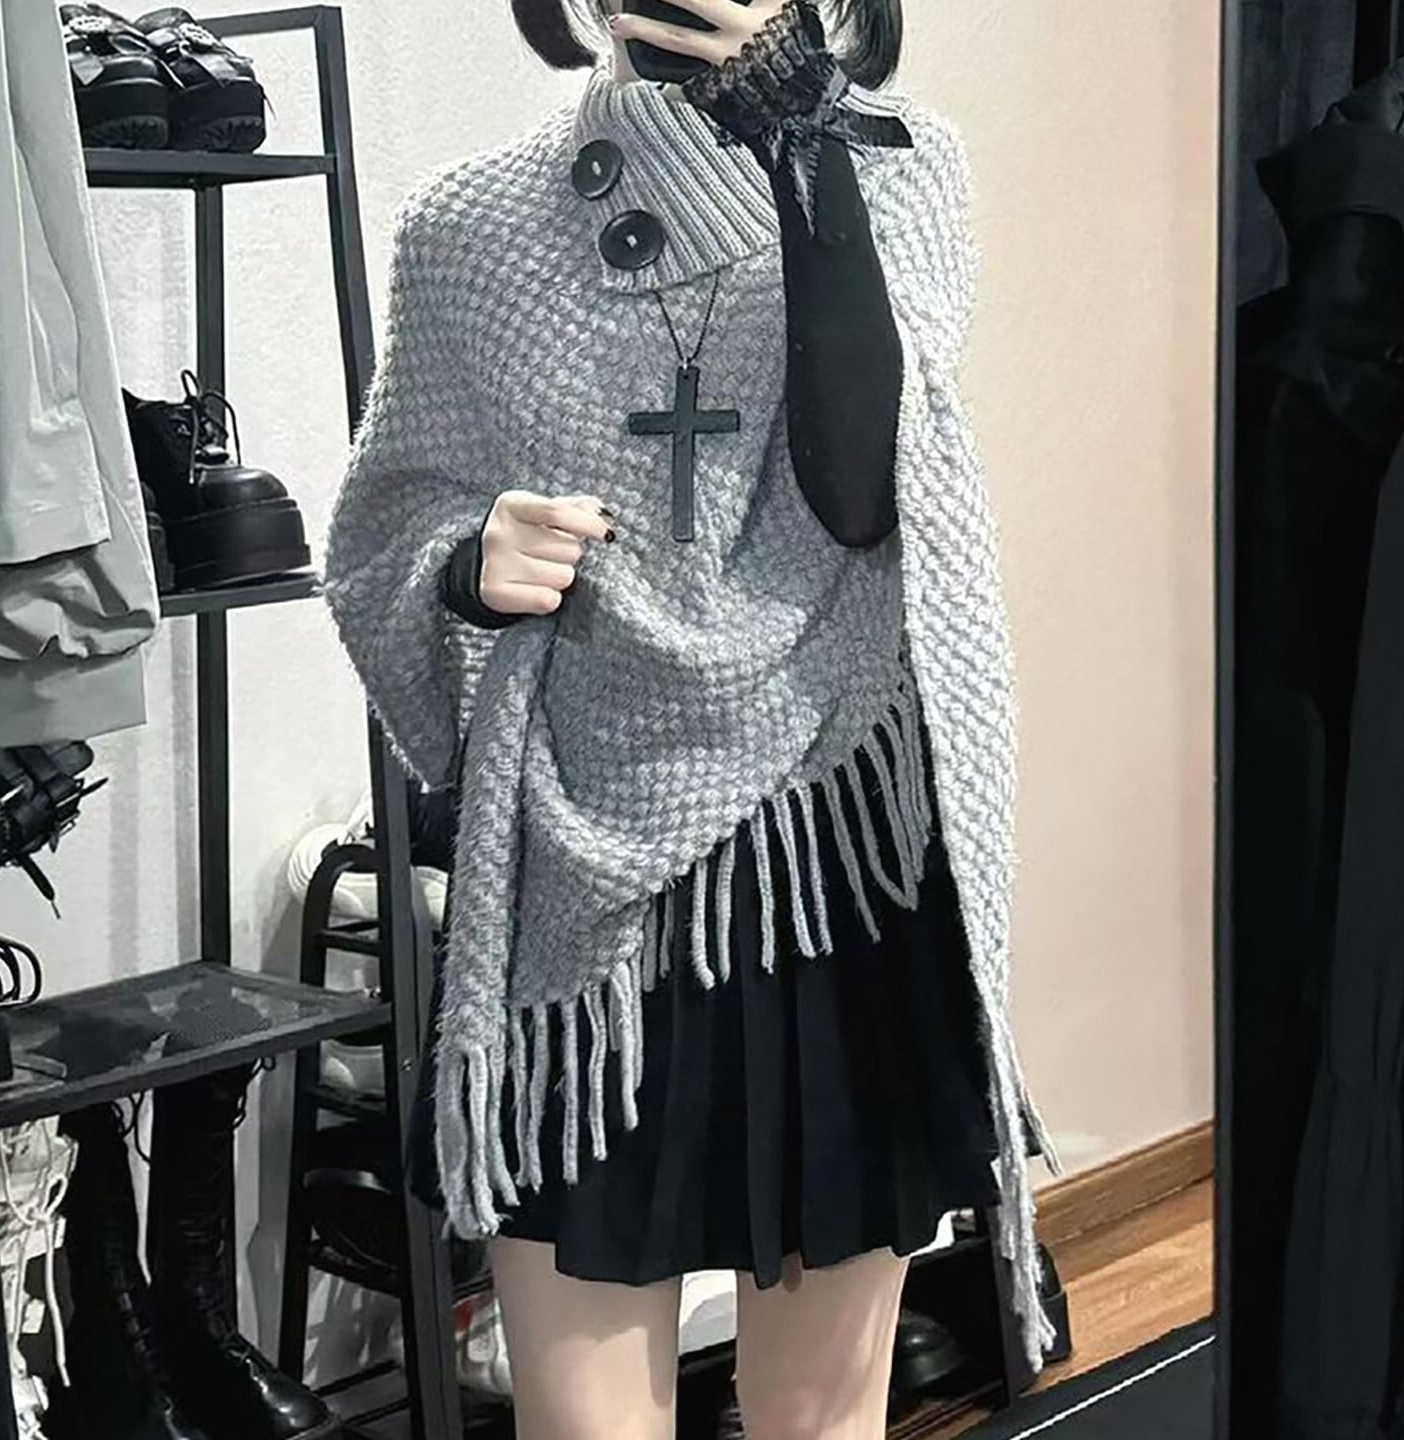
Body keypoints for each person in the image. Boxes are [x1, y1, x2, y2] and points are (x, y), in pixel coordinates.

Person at [324, 2, 1057, 1435]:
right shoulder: (471, 229)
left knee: (824, 1417)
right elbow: (381, 535)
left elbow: (866, 486)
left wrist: (804, 123)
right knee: (584, 1420)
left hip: (837, 856)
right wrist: (469, 563)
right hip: (582, 907)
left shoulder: (902, 167)